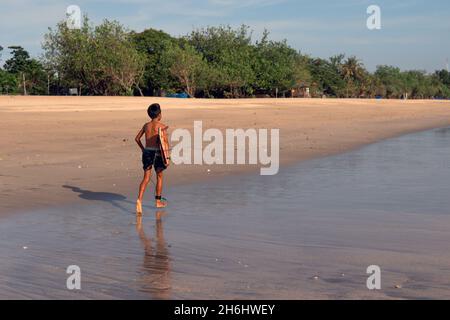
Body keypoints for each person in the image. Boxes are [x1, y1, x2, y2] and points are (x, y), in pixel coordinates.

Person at [135, 103, 169, 213]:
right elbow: (165, 143)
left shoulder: (146, 125)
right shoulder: (162, 126)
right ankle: (158, 201)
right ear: (159, 114)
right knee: (159, 176)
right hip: (157, 153)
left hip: (147, 152)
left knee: (146, 178)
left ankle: (139, 200)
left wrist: (143, 149)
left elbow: (137, 139)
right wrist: (167, 157)